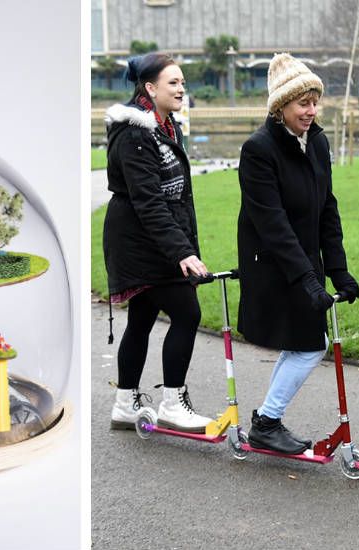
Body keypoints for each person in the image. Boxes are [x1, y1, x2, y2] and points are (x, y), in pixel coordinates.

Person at [236, 53, 359, 454]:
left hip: (305, 263)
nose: (311, 110)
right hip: (274, 265)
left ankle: (265, 421)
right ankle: (268, 421)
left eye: (314, 101)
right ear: (279, 107)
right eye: (302, 103)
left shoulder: (317, 142)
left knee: (300, 343)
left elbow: (328, 208)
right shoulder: (258, 149)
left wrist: (338, 271)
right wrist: (307, 278)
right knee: (310, 345)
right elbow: (272, 223)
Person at [102, 53, 214, 432]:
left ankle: (124, 403)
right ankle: (172, 403)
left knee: (143, 316)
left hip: (151, 236)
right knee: (187, 313)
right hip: (138, 240)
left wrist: (185, 243)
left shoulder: (165, 127)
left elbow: (176, 196)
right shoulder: (135, 133)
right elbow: (148, 201)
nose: (182, 88)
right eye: (173, 83)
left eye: (183, 82)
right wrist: (182, 251)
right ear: (150, 88)